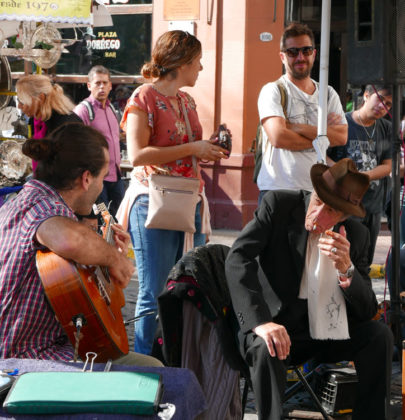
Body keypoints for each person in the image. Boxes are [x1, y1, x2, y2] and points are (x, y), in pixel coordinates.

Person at [225, 158, 393, 420]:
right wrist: (260, 322)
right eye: (317, 202)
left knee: (379, 335)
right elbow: (238, 257)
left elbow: (367, 310)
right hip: (274, 324)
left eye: (330, 212)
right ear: (312, 192)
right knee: (266, 345)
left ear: (344, 216)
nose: (317, 215)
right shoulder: (279, 206)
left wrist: (346, 270)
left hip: (323, 334)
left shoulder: (357, 235)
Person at [0, 122, 161, 367]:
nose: (102, 186)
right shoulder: (44, 208)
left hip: (40, 348)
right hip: (27, 361)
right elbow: (69, 238)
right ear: (86, 178)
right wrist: (114, 258)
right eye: (103, 177)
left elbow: (70, 273)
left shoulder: (22, 199)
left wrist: (103, 255)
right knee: (152, 370)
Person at [117, 30, 229, 355]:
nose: (201, 68)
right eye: (197, 62)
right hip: (153, 200)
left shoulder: (187, 100)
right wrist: (192, 147)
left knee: (185, 287)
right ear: (181, 63)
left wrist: (205, 149)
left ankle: (174, 362)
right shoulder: (143, 98)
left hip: (188, 199)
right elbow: (136, 154)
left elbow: (184, 146)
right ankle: (144, 366)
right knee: (153, 292)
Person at [256, 22, 347, 204]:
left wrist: (295, 126)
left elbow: (342, 138)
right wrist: (323, 135)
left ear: (314, 54)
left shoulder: (328, 94)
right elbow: (279, 138)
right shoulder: (273, 90)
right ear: (282, 57)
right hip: (277, 190)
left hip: (317, 192)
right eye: (292, 52)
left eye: (306, 50)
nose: (300, 57)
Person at [328, 84, 392, 265]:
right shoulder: (343, 122)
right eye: (380, 99)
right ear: (366, 95)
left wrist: (365, 176)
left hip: (373, 205)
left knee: (365, 260)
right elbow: (321, 154)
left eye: (388, 104)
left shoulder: (386, 127)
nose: (383, 106)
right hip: (345, 204)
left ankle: (360, 292)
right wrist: (344, 173)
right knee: (343, 257)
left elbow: (388, 165)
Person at [74, 65, 124, 217]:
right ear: (89, 86)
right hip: (97, 183)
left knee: (118, 220)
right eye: (97, 83)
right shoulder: (83, 111)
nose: (101, 87)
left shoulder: (111, 110)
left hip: (116, 177)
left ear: (110, 85)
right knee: (103, 218)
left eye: (105, 83)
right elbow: (75, 146)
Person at [16, 74, 82, 173]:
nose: (19, 106)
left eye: (22, 101)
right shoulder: (35, 120)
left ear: (41, 98)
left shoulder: (67, 125)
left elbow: (69, 167)